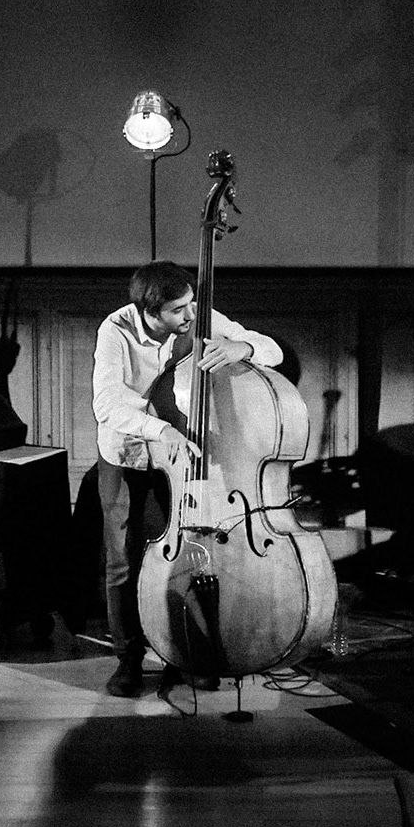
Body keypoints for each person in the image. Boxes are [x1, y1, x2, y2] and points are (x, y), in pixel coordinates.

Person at [91, 259, 283, 698]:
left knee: (189, 549)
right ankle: (129, 660)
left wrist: (243, 349)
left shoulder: (197, 315)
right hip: (127, 454)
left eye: (191, 305)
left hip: (180, 461)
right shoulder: (115, 331)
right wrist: (162, 430)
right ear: (148, 311)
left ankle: (187, 652)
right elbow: (109, 404)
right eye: (178, 311)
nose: (190, 316)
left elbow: (271, 348)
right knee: (122, 560)